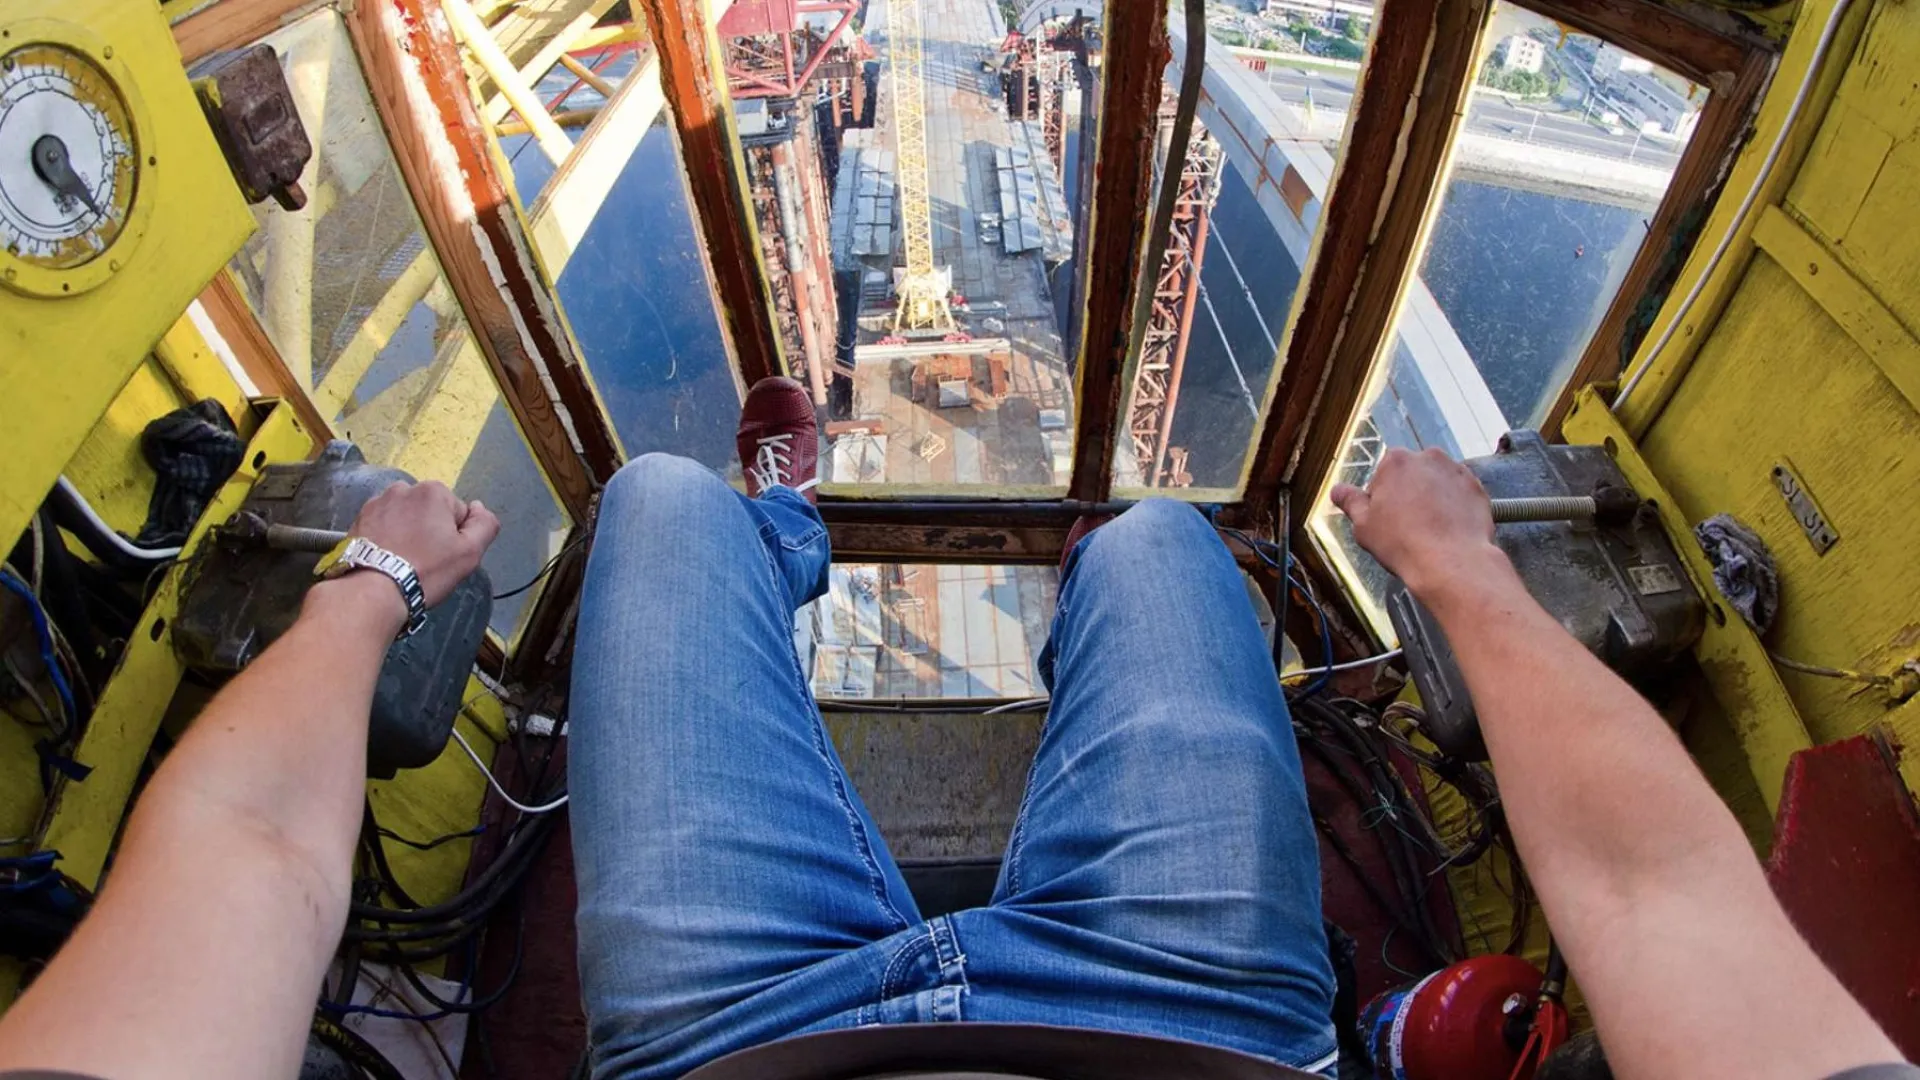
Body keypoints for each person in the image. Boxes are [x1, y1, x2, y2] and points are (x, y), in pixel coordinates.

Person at [0, 377, 1905, 1080]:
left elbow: (250, 862)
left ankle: (781, 531)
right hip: (1192, 1021)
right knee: (1164, 541)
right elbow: (1659, 896)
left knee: (661, 508)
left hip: (739, 1035)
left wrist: (377, 580)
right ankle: (1081, 605)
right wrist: (1460, 575)